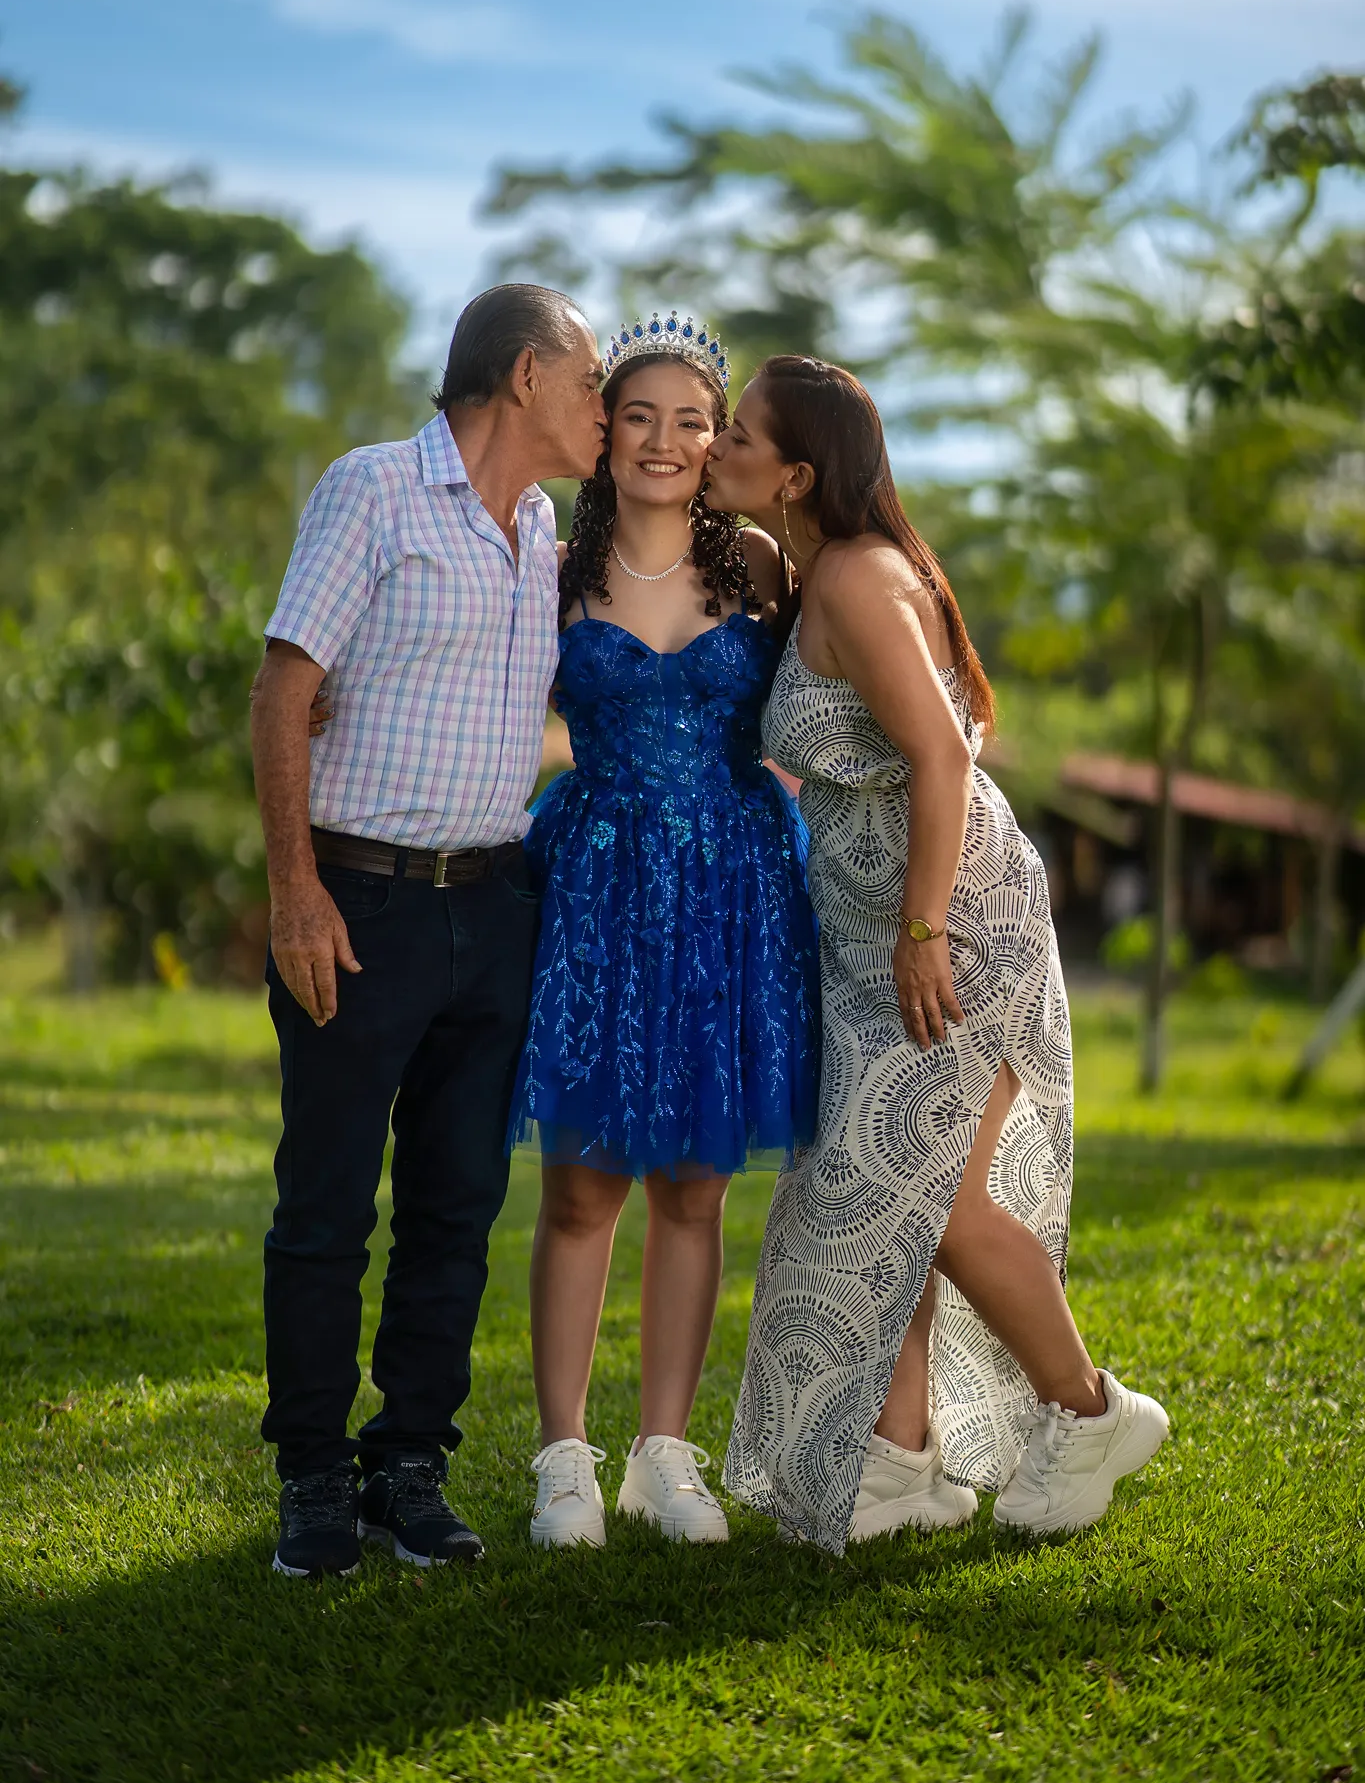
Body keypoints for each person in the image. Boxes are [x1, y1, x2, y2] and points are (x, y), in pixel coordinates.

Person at [705, 355, 1168, 1554]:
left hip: (951, 930)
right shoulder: (811, 570)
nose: (717, 445)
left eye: (738, 433)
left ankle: (1092, 1412)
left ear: (796, 473)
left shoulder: (860, 578)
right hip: (872, 940)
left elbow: (945, 757)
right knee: (883, 1190)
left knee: (940, 1201)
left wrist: (920, 931)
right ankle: (901, 1461)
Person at [250, 283, 606, 1579]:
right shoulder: (373, 490)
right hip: (363, 906)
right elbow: (283, 687)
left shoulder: (543, 527)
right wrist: (296, 891)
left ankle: (409, 1462)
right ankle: (310, 1474)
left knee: (455, 1208)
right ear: (525, 375)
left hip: (497, 906)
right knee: (327, 1207)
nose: (604, 406)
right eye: (591, 381)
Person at [510, 316, 821, 1551]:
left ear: (716, 439)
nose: (664, 439)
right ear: (603, 432)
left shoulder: (761, 564)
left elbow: (839, 679)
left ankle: (663, 1453)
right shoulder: (553, 569)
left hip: (734, 892)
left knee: (696, 1185)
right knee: (583, 1182)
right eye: (638, 414)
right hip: (600, 890)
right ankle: (562, 1457)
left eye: (692, 420)